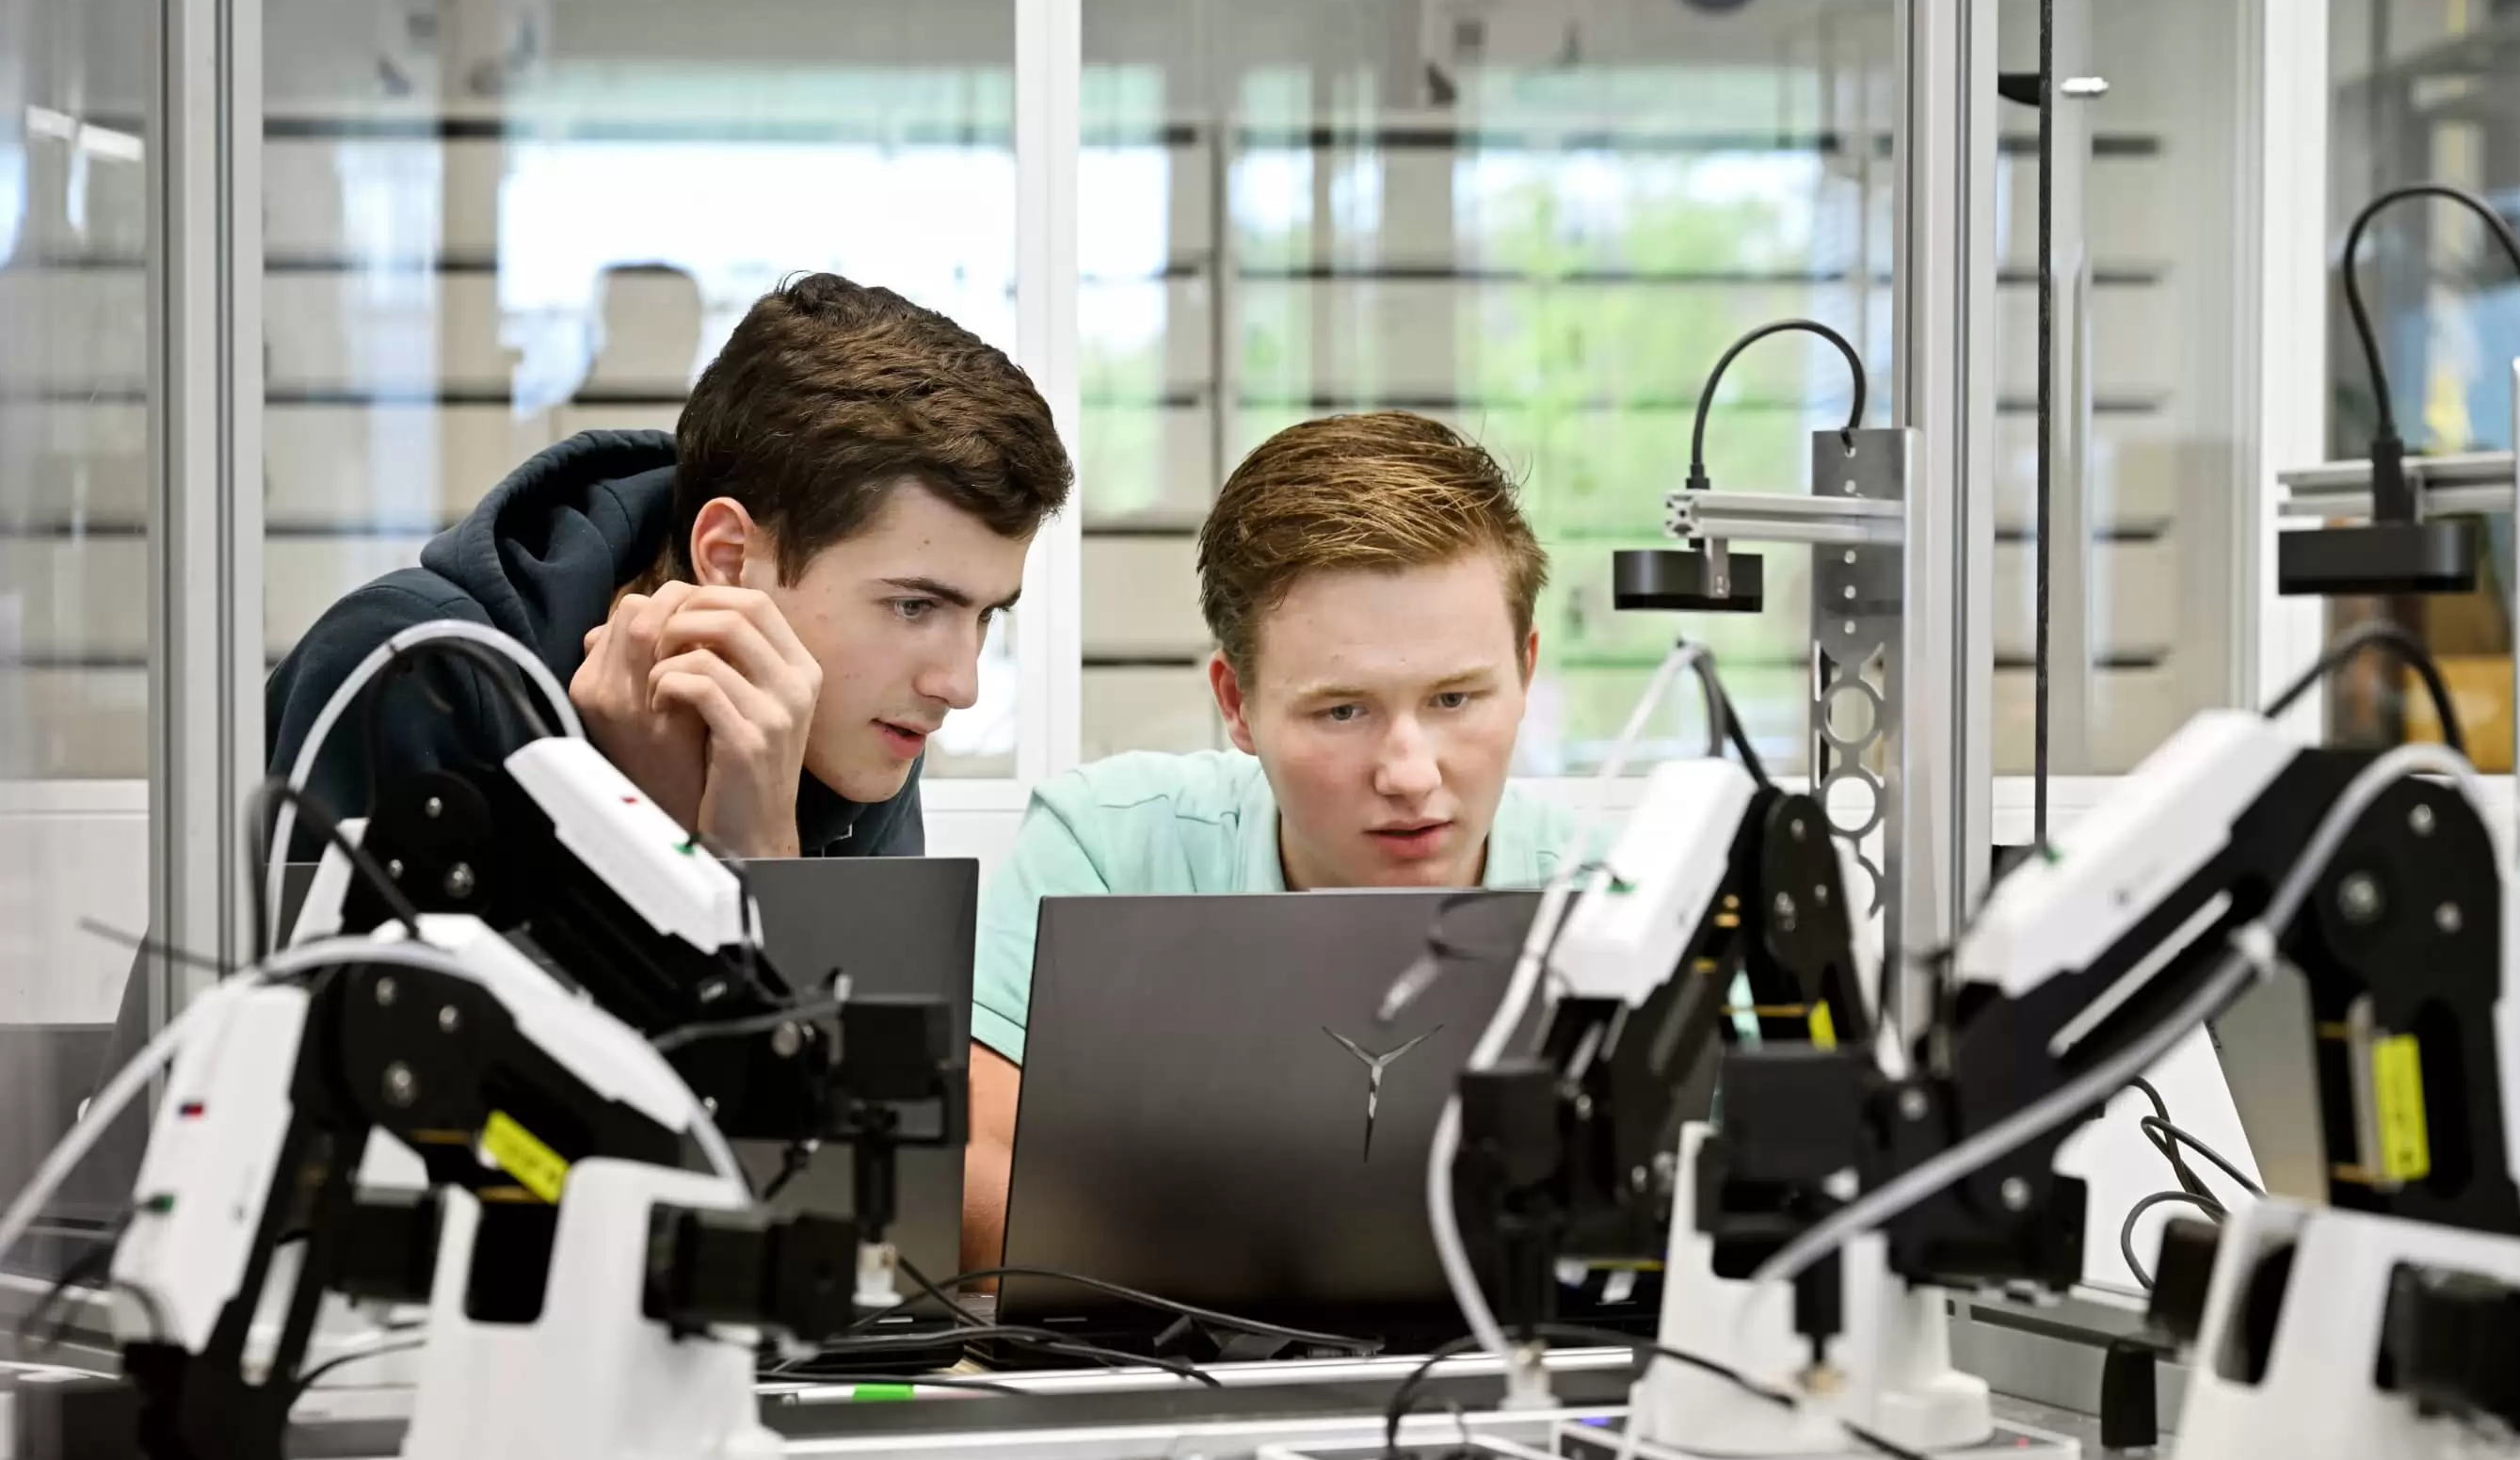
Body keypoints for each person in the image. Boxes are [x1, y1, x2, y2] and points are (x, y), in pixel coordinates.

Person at [962, 409, 1575, 1264]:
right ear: (1237, 705)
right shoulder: (1107, 849)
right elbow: (972, 1167)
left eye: (1454, 699)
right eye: (1343, 710)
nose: (1409, 774)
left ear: (1526, 670)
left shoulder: (1623, 895)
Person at [268, 275, 1073, 862]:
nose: (958, 685)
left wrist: (753, 849)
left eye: (986, 615)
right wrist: (643, 834)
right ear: (728, 557)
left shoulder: (866, 725)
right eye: (913, 607)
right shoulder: (410, 667)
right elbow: (315, 1042)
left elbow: (856, 1057)